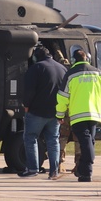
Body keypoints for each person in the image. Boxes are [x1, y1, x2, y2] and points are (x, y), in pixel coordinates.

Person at [55, 48, 101, 182]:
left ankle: (87, 168)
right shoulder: (98, 74)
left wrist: (60, 115)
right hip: (94, 115)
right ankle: (85, 172)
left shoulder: (71, 74)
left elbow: (63, 97)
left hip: (78, 115)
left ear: (74, 60)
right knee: (89, 141)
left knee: (86, 143)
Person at [19, 44, 68, 179]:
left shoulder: (36, 68)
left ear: (37, 56)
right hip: (56, 111)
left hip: (37, 111)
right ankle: (54, 171)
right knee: (53, 140)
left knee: (31, 138)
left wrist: (26, 105)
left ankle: (32, 168)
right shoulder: (62, 68)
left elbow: (29, 90)